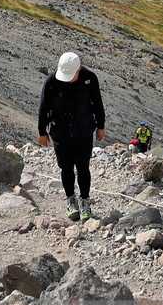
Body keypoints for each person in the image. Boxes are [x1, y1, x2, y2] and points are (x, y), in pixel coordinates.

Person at [37, 51, 106, 220]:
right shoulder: (52, 82)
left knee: (83, 167)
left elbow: (97, 103)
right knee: (66, 167)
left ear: (78, 69)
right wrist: (42, 132)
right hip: (60, 132)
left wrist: (101, 126)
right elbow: (43, 108)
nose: (67, 79)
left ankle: (85, 200)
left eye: (71, 75)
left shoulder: (90, 78)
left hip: (84, 131)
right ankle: (70, 200)